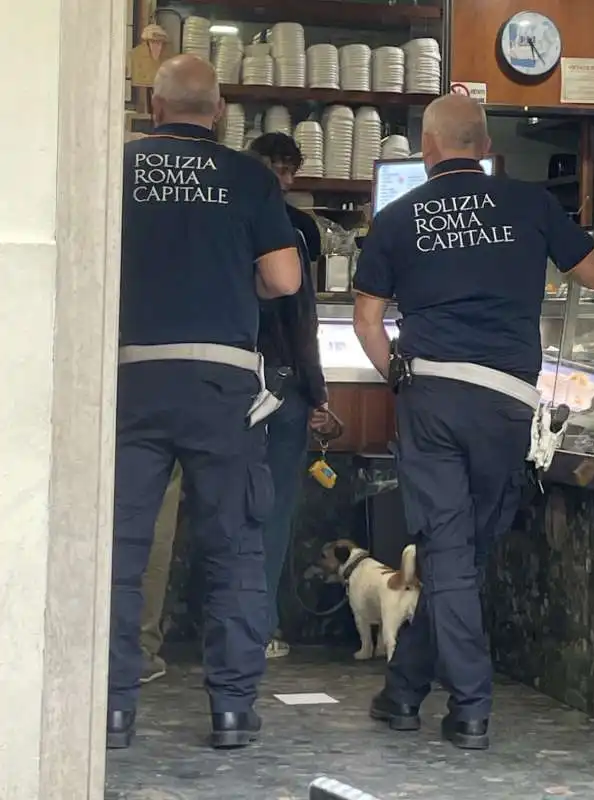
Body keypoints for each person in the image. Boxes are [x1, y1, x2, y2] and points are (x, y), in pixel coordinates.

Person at [352, 94, 594, 750]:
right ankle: (403, 694)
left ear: (427, 149)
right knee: (460, 554)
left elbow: (365, 320)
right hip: (505, 401)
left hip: (433, 400)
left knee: (449, 554)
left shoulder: (395, 216)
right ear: (483, 148)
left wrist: (399, 375)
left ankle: (467, 705)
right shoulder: (531, 204)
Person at [109, 54, 301, 751]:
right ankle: (229, 709)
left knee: (120, 549)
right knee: (234, 547)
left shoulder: (119, 166)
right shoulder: (249, 175)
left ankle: (111, 708)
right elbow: (283, 278)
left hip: (132, 380)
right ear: (217, 112)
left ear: (153, 107)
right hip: (222, 383)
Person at [248, 132, 330, 658]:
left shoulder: (224, 221)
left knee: (232, 509)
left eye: (285, 168)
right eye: (275, 167)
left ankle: (237, 626)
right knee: (271, 512)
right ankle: (259, 628)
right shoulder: (294, 230)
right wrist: (317, 390)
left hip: (232, 381)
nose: (281, 178)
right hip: (281, 387)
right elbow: (302, 318)